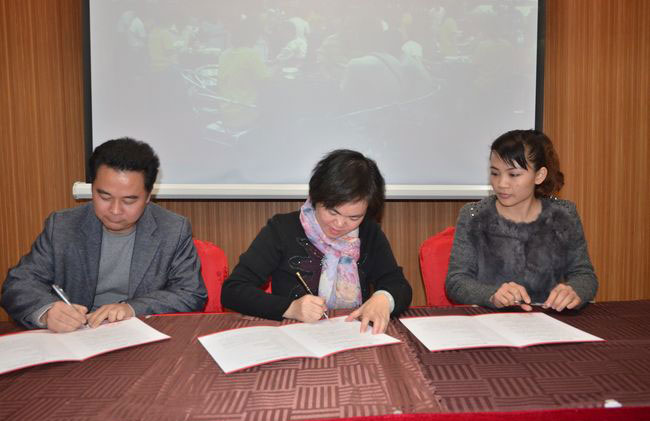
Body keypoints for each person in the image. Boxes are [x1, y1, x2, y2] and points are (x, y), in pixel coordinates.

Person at [1, 138, 207, 332]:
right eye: (104, 197)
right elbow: (17, 285)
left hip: (140, 336)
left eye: (129, 200)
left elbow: (190, 293)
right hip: (76, 338)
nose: (115, 210)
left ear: (148, 196)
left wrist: (132, 308)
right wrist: (47, 312)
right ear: (92, 188)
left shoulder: (173, 229)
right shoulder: (63, 226)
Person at [221, 149, 412, 333]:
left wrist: (384, 298)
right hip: (294, 339)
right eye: (332, 212)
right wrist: (290, 308)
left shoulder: (369, 233)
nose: (340, 224)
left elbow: (398, 285)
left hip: (353, 337)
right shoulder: (282, 229)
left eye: (354, 218)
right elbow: (233, 291)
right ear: (315, 198)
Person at [445, 129, 598, 312]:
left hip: (551, 318)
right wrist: (492, 294)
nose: (501, 184)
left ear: (539, 175)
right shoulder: (474, 216)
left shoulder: (563, 214)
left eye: (513, 174)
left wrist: (574, 291)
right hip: (491, 318)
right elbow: (456, 281)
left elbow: (584, 275)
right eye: (495, 173)